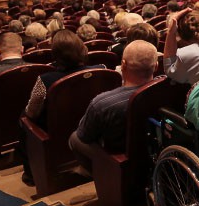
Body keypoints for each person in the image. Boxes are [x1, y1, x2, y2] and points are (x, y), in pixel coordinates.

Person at [68, 40, 158, 174]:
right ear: (156, 66)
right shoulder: (166, 89)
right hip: (155, 151)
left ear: (123, 65)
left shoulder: (102, 103)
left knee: (75, 138)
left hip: (119, 159)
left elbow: (85, 136)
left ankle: (102, 176)